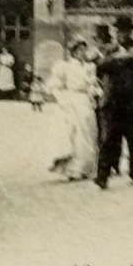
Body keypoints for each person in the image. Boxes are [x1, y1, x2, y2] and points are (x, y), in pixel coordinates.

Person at [94, 16, 133, 188]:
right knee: (108, 139)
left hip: (132, 101)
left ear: (130, 32)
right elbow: (100, 67)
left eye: (124, 31)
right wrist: (124, 57)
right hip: (113, 101)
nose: (120, 34)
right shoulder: (110, 50)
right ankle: (102, 176)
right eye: (118, 31)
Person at [47, 40, 99, 180]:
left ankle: (85, 168)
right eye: (80, 50)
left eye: (84, 49)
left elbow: (92, 84)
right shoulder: (65, 66)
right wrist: (62, 100)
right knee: (74, 134)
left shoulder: (89, 67)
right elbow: (55, 85)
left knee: (88, 132)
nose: (83, 53)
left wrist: (94, 92)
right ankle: (72, 169)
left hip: (85, 101)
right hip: (71, 101)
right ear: (73, 52)